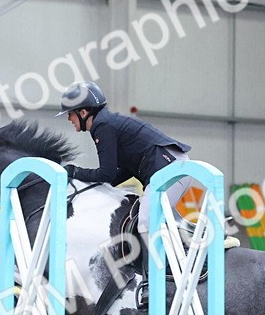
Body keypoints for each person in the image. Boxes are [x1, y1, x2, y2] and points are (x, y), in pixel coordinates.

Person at [56, 81, 192, 236]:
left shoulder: (102, 126)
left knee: (145, 223)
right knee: (156, 221)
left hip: (169, 170)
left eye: (70, 113)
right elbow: (122, 172)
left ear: (83, 112)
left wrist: (74, 171)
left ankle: (160, 261)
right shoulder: (106, 123)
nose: (68, 119)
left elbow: (106, 173)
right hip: (172, 168)